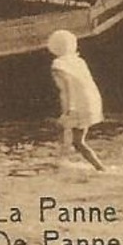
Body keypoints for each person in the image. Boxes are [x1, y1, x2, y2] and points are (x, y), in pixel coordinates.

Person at [47, 29, 106, 170]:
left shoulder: (58, 65)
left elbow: (66, 89)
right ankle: (97, 166)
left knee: (74, 138)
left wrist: (67, 110)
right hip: (91, 101)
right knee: (77, 140)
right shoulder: (79, 61)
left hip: (76, 105)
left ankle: (98, 168)